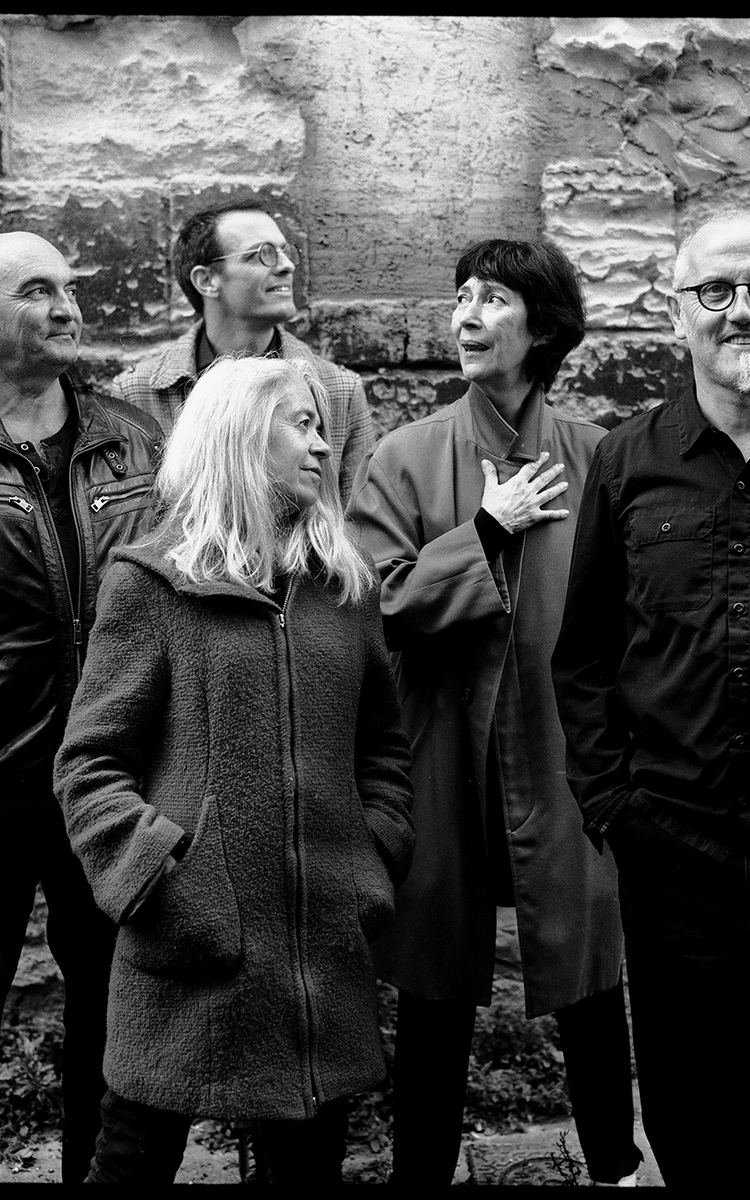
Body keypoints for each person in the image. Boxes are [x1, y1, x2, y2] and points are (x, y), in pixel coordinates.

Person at [52, 355, 415, 1186]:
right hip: (189, 947)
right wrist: (160, 882)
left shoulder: (345, 588)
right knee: (132, 1160)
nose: (323, 445)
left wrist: (373, 858)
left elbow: (383, 751)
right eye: (301, 424)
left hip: (319, 958)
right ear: (241, 437)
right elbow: (90, 764)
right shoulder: (151, 584)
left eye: (323, 427)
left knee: (308, 1168)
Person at [347, 237, 642, 1188]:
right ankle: (421, 1174)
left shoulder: (601, 456)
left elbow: (633, 618)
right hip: (440, 754)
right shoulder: (407, 454)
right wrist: (484, 529)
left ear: (543, 326)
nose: (467, 315)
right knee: (435, 987)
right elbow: (373, 605)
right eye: (461, 296)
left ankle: (614, 1167)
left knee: (592, 976)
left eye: (494, 299)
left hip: (567, 755)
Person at [552, 209, 750, 1191]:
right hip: (676, 850)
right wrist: (612, 805)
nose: (740, 310)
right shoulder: (628, 460)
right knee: (690, 1102)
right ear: (677, 315)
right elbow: (584, 653)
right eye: (716, 290)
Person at [0, 230, 163, 1182]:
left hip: (106, 772)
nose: (67, 307)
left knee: (111, 1011)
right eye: (36, 290)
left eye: (69, 287)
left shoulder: (130, 437)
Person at [110, 199, 375, 504]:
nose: (287, 266)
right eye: (263, 254)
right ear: (207, 280)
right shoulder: (137, 391)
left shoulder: (339, 390)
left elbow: (356, 523)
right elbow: (131, 519)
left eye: (285, 251)